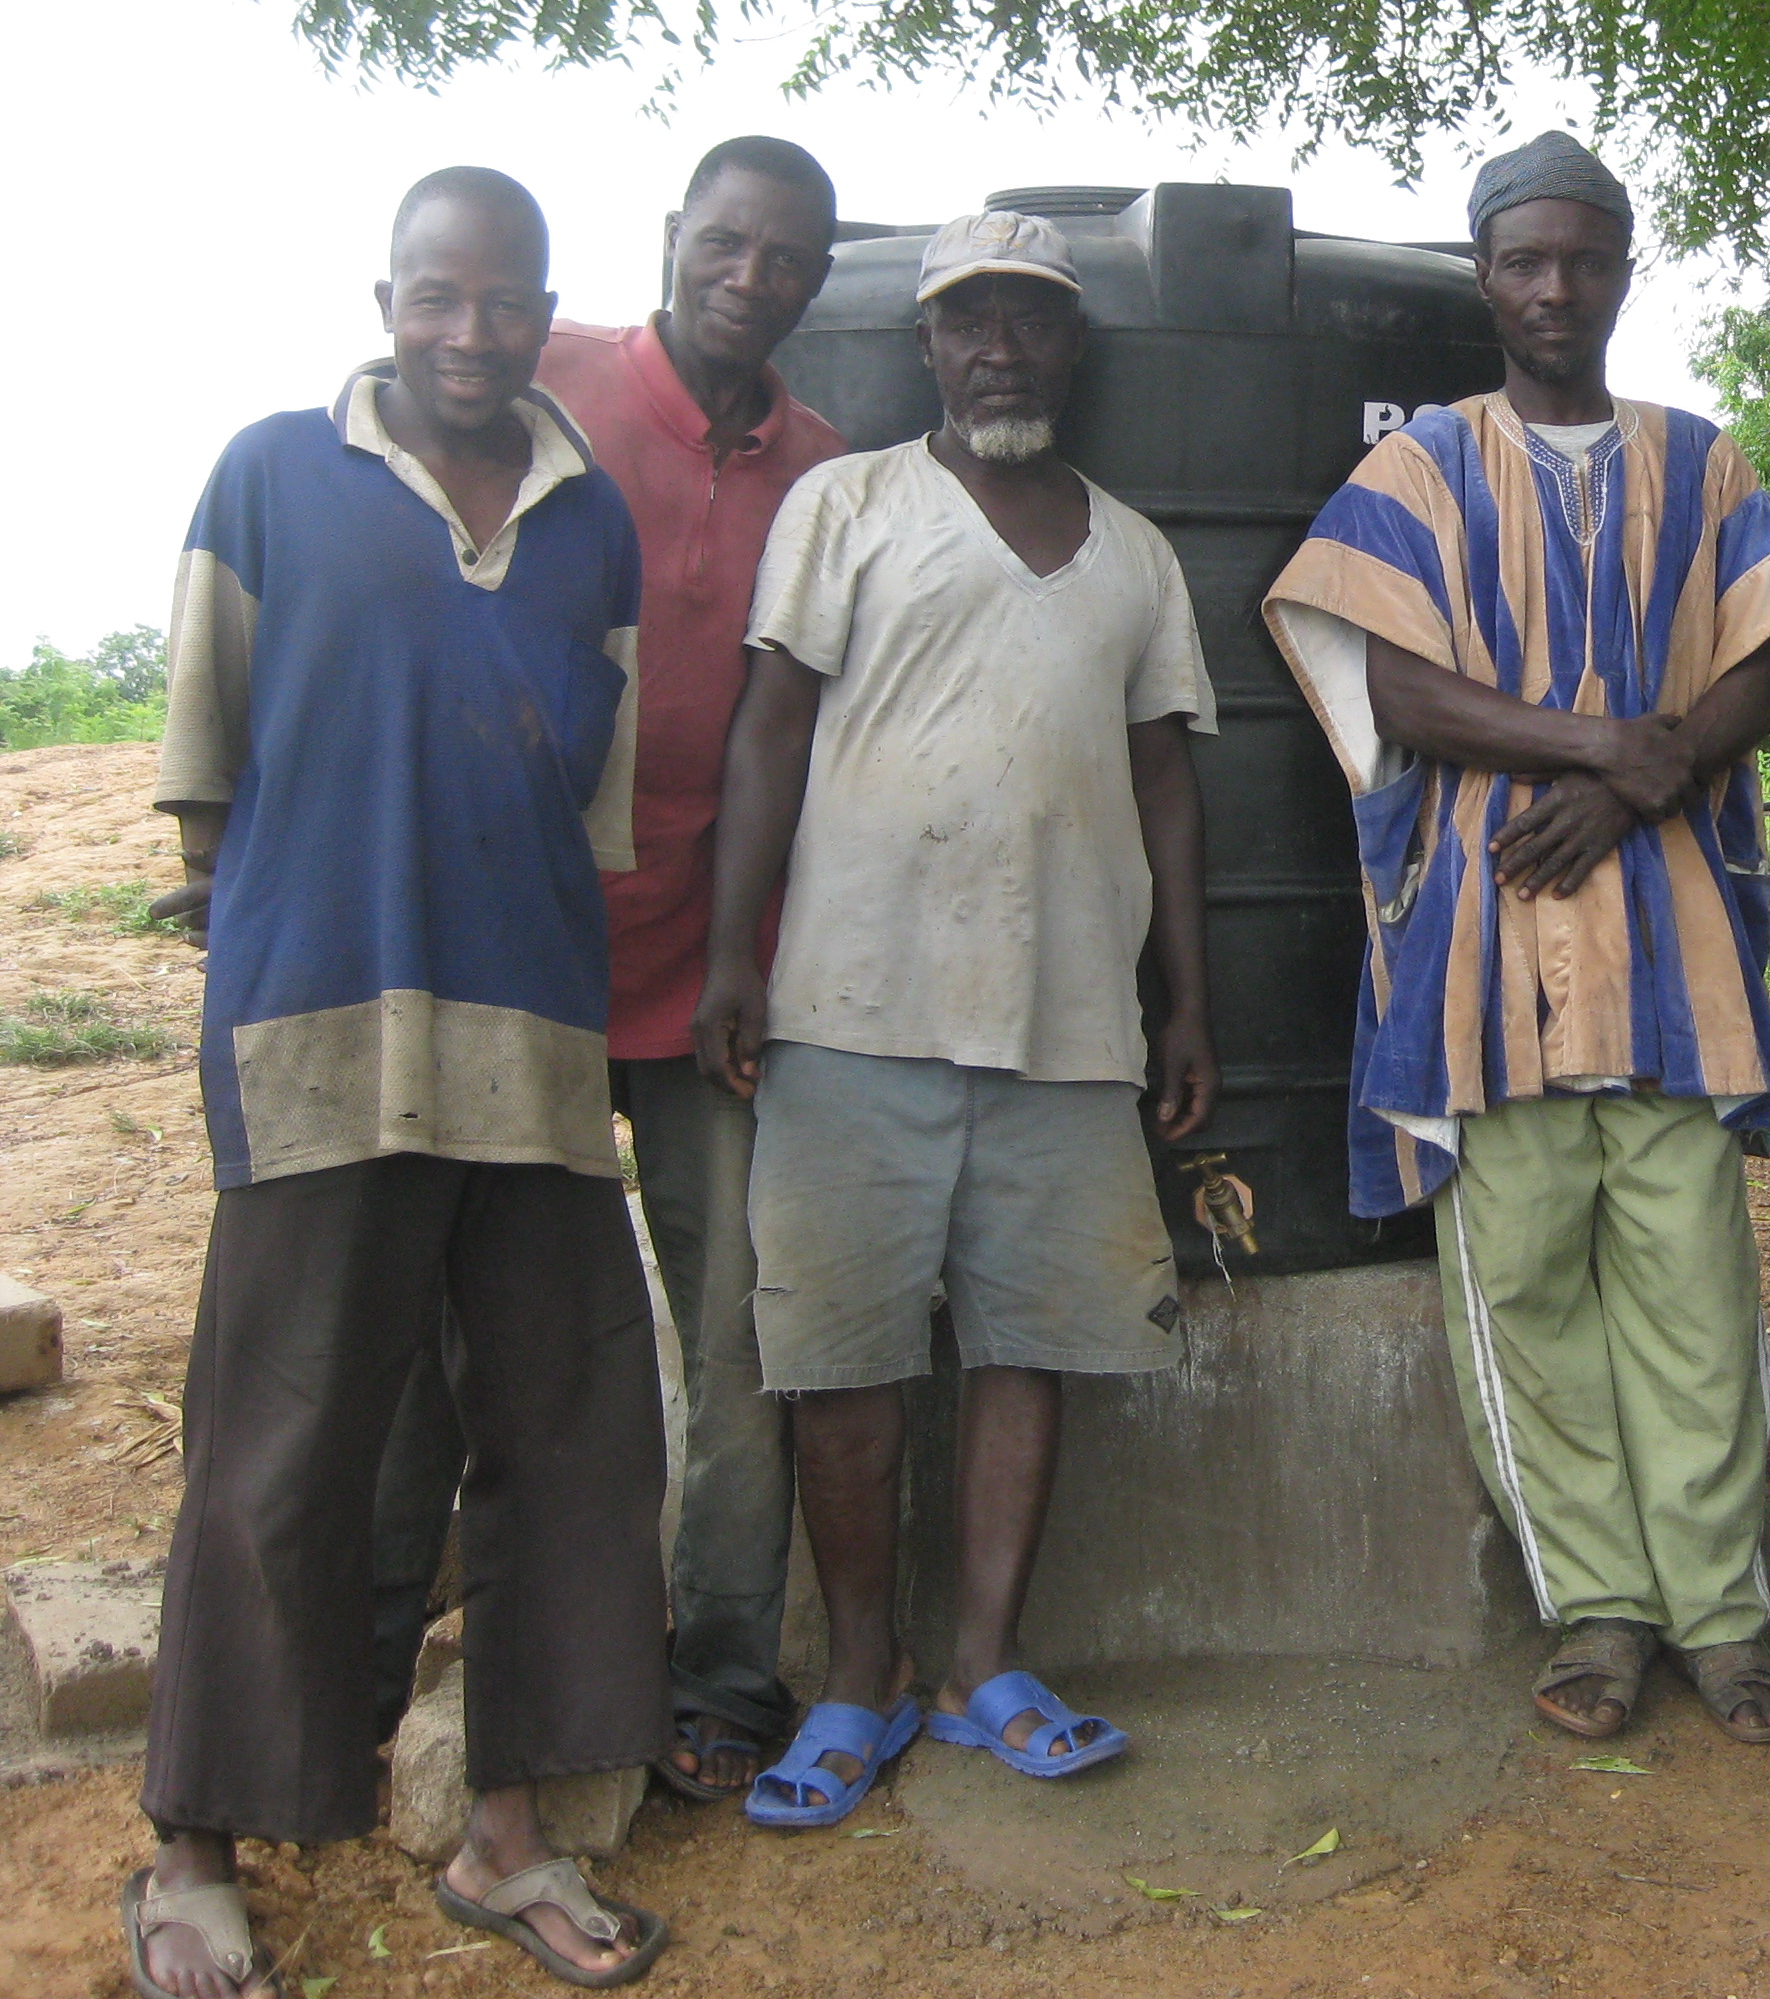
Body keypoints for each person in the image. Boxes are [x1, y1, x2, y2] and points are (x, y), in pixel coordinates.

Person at [129, 169, 671, 1996]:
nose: (468, 333)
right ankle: (197, 1847)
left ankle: (510, 1837)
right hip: (322, 1042)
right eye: (435, 297)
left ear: (541, 312)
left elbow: (583, 815)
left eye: (502, 302)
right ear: (386, 299)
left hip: (525, 1050)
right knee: (278, 1442)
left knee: (571, 1441)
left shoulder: (594, 525)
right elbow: (205, 783)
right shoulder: (271, 478)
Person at [1263, 131, 1770, 1747]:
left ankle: (1722, 1618)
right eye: (1524, 260)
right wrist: (1610, 756)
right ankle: (1595, 1613)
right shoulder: (1424, 468)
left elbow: (1765, 662)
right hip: (1485, 960)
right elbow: (1391, 685)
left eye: (1584, 258)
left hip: (1673, 969)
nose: (1555, 287)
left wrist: (1664, 765)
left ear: (1624, 272)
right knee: (1525, 1300)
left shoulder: (1700, 460)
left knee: (1696, 1298)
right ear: (1485, 276)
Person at [692, 208, 1219, 1826]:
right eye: (969, 320)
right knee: (846, 1362)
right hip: (852, 1005)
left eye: (1031, 320)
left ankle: (987, 1664)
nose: (1001, 345)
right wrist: (732, 956)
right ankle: (859, 1680)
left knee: (1032, 1343)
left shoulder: (1133, 549)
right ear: (927, 344)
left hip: (1068, 1021)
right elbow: (770, 734)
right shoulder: (844, 504)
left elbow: (1166, 780)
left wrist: (1185, 998)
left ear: (1071, 348)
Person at [367, 135, 850, 1802]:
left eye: (787, 259)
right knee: (475, 1322)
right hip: (519, 953)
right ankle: (420, 1637)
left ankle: (720, 1674)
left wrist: (757, 959)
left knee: (739, 1333)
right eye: (726, 242)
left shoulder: (830, 469)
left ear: (815, 280)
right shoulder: (541, 379)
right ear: (669, 239)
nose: (750, 275)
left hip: (727, 975)